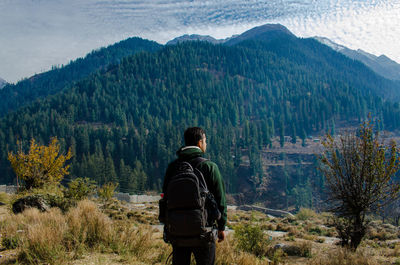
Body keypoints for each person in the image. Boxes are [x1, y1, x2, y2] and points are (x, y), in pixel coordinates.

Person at [162, 127, 227, 265]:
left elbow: (165, 197)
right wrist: (221, 227)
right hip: (204, 232)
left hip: (178, 232)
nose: (206, 144)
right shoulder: (209, 166)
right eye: (205, 141)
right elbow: (220, 200)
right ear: (199, 143)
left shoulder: (172, 167)